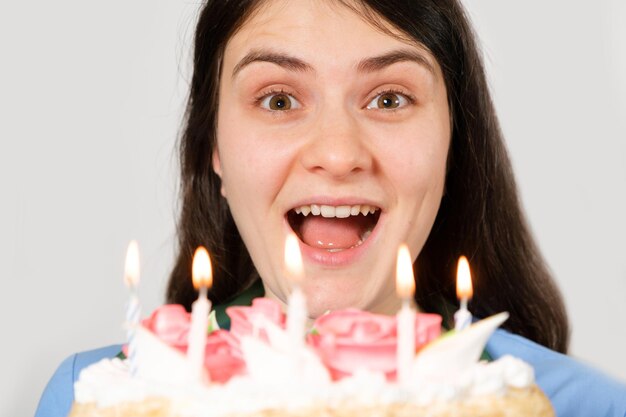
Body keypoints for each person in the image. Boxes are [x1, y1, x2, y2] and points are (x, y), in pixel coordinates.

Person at [35, 1, 626, 416]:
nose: (339, 153)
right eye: (279, 99)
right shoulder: (97, 396)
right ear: (213, 147)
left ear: (453, 144)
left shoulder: (581, 407)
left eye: (390, 98)